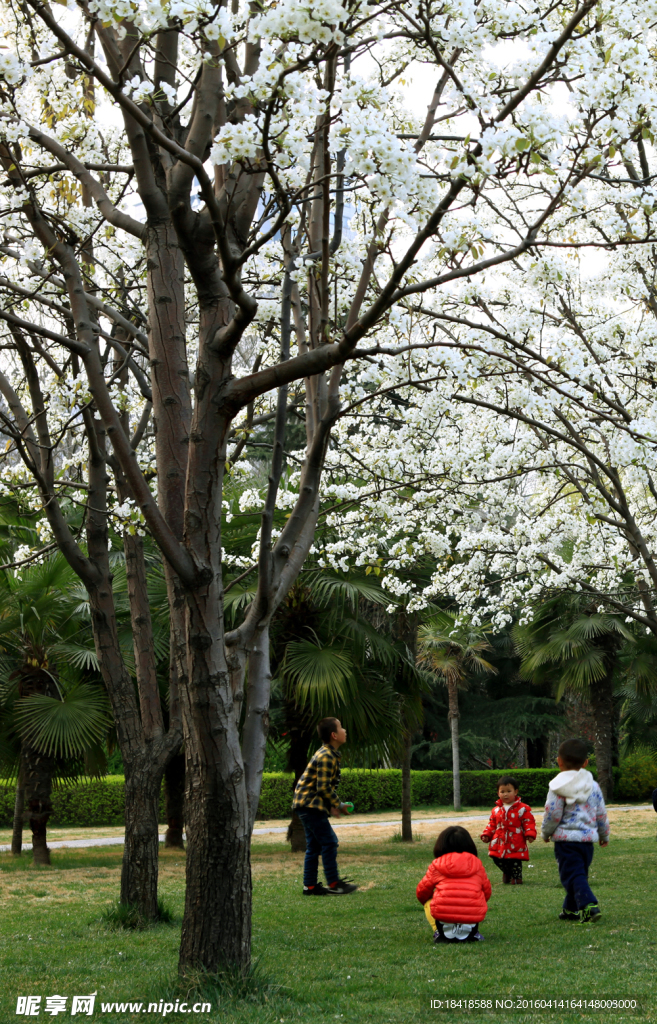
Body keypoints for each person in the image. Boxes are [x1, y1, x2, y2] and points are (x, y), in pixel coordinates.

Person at [541, 737, 610, 923]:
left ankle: (588, 906)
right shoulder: (593, 786)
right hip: (587, 841)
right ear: (586, 762)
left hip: (566, 840)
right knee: (578, 874)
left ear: (559, 761)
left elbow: (553, 813)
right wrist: (604, 834)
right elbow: (601, 813)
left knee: (571, 875)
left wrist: (546, 832)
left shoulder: (557, 786)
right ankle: (570, 909)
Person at [292, 716, 357, 896]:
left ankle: (310, 886)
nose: (345, 731)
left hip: (306, 804)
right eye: (341, 728)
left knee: (313, 846)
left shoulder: (328, 753)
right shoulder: (327, 755)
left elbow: (321, 786)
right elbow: (323, 787)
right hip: (310, 805)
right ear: (334, 735)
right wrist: (339, 804)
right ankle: (335, 883)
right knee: (329, 842)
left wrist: (331, 806)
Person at [416, 825, 492, 943]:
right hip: (471, 917)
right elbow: (487, 892)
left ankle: (438, 931)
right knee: (476, 896)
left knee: (428, 900)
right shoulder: (477, 865)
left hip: (442, 917)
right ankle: (472, 933)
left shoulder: (437, 865)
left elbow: (422, 892)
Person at [480, 774, 536, 884]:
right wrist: (487, 834)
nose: (505, 794)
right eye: (502, 791)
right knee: (497, 858)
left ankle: (516, 877)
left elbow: (528, 822)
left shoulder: (523, 809)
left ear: (515, 792)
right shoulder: (496, 810)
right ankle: (507, 872)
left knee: (514, 859)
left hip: (515, 839)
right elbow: (492, 824)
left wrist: (530, 833)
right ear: (498, 793)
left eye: (509, 791)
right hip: (499, 839)